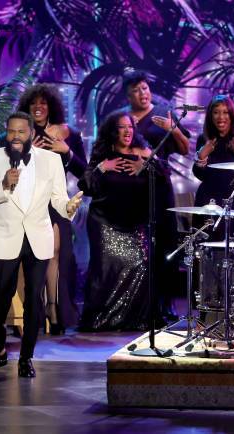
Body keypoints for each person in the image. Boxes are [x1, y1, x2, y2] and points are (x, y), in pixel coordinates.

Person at [0, 112, 83, 377]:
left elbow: (57, 199)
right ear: (6, 133)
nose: (16, 136)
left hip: (37, 238)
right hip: (5, 237)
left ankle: (25, 358)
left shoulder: (51, 160)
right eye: (12, 132)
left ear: (31, 133)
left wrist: (68, 207)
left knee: (34, 300)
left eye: (22, 132)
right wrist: (3, 185)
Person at [117, 70, 192, 321]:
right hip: (130, 191)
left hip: (159, 188)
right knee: (136, 247)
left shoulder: (163, 112)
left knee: (165, 246)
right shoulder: (122, 118)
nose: (143, 93)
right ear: (128, 94)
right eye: (137, 90)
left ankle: (165, 304)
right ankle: (136, 305)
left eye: (146, 88)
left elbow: (184, 148)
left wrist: (173, 129)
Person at [80, 112, 166, 331]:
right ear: (112, 130)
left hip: (134, 224)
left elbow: (165, 176)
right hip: (104, 222)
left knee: (142, 264)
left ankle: (134, 319)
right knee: (106, 269)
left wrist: (146, 164)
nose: (128, 131)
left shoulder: (143, 153)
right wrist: (102, 168)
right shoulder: (103, 155)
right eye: (122, 127)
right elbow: (85, 185)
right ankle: (101, 319)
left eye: (130, 127)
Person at [17, 84, 87, 335]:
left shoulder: (67, 134)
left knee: (54, 252)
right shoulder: (20, 132)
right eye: (34, 103)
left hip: (54, 202)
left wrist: (66, 152)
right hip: (25, 202)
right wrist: (27, 152)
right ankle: (30, 313)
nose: (38, 107)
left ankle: (53, 307)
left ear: (52, 107)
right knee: (29, 256)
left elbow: (85, 175)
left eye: (44, 102)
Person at [193, 95, 234, 239]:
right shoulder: (204, 138)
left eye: (225, 112)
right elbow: (199, 175)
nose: (221, 117)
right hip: (209, 202)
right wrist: (202, 156)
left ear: (232, 115)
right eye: (216, 112)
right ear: (210, 116)